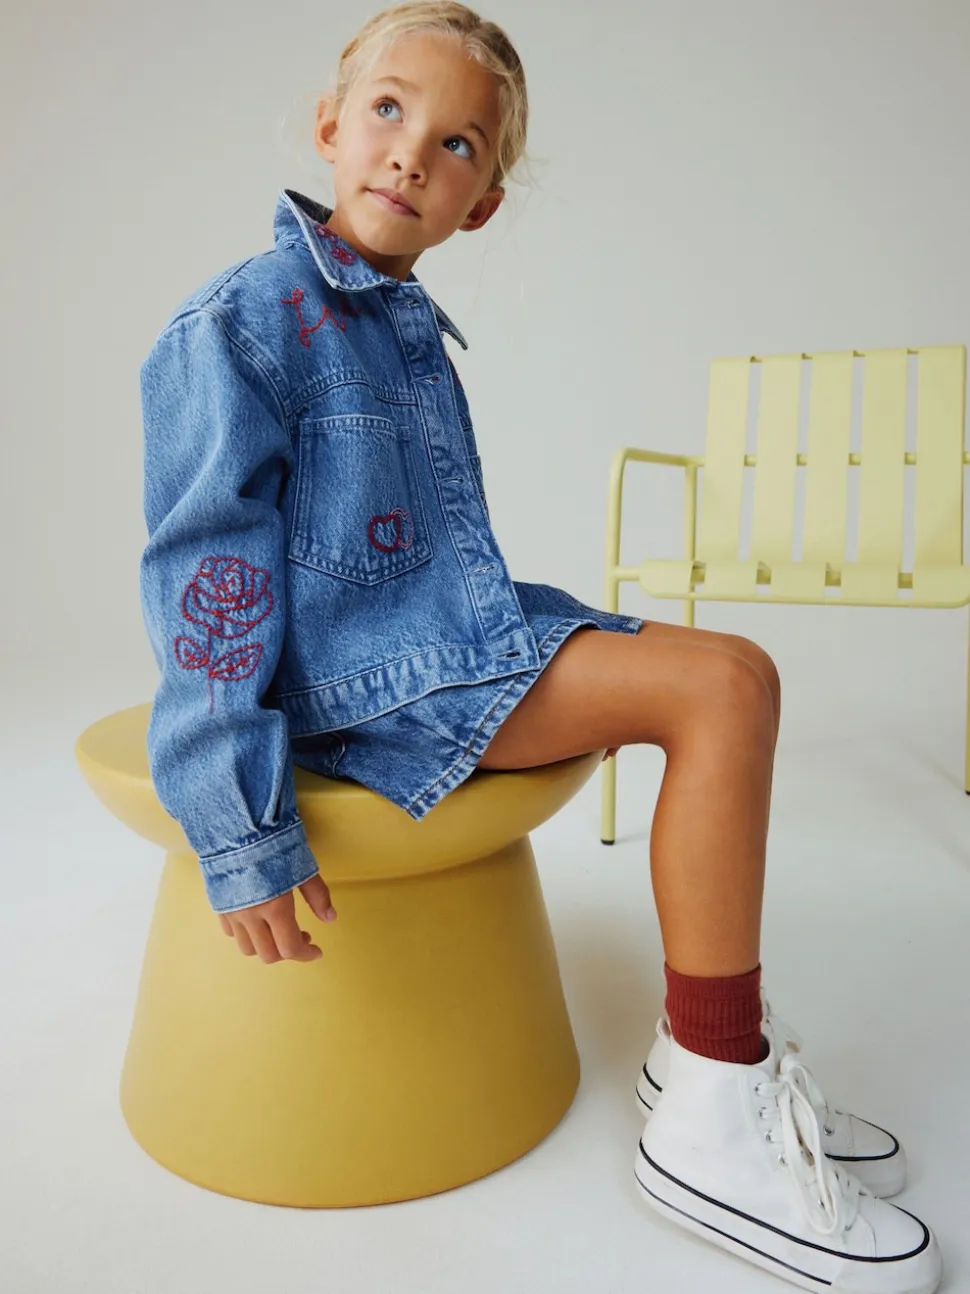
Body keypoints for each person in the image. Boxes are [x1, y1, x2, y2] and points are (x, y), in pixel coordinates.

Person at [138, 4, 941, 1290]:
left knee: (733, 674)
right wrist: (239, 825)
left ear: (482, 205)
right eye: (389, 110)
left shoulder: (398, 326)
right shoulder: (242, 321)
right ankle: (710, 1111)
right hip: (365, 686)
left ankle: (707, 1054)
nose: (413, 153)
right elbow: (208, 575)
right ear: (330, 127)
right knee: (723, 690)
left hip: (439, 640)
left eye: (458, 143)